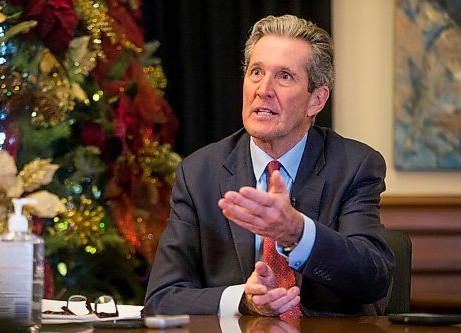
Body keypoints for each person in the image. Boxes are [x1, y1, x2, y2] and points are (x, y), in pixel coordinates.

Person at [143, 14, 394, 317]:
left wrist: (297, 233)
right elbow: (162, 298)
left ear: (316, 100)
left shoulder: (354, 166)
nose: (263, 89)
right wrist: (243, 301)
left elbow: (373, 278)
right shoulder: (199, 173)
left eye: (284, 76)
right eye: (256, 72)